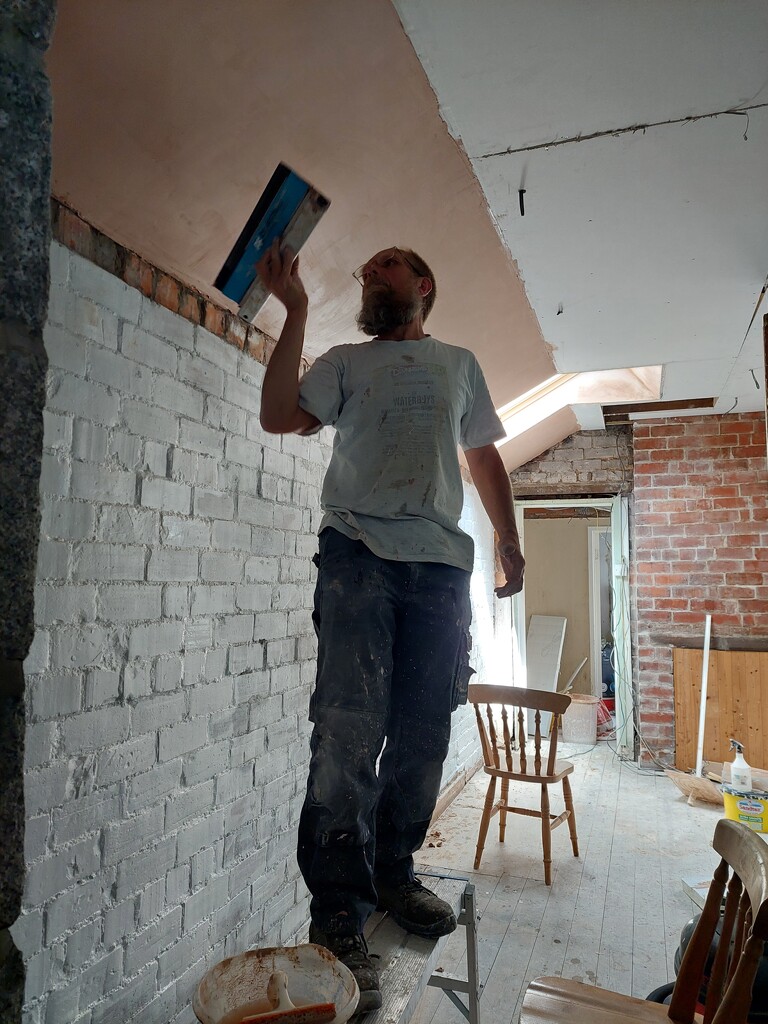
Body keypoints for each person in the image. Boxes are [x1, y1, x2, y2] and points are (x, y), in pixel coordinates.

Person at [257, 240, 524, 1011]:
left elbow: (483, 457)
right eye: (365, 270)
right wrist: (297, 310)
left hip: (441, 567)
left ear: (423, 284)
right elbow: (280, 416)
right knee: (346, 730)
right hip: (359, 558)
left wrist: (508, 540)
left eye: (386, 266)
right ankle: (337, 912)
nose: (370, 275)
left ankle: (395, 875)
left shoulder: (458, 363)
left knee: (422, 731)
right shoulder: (344, 360)